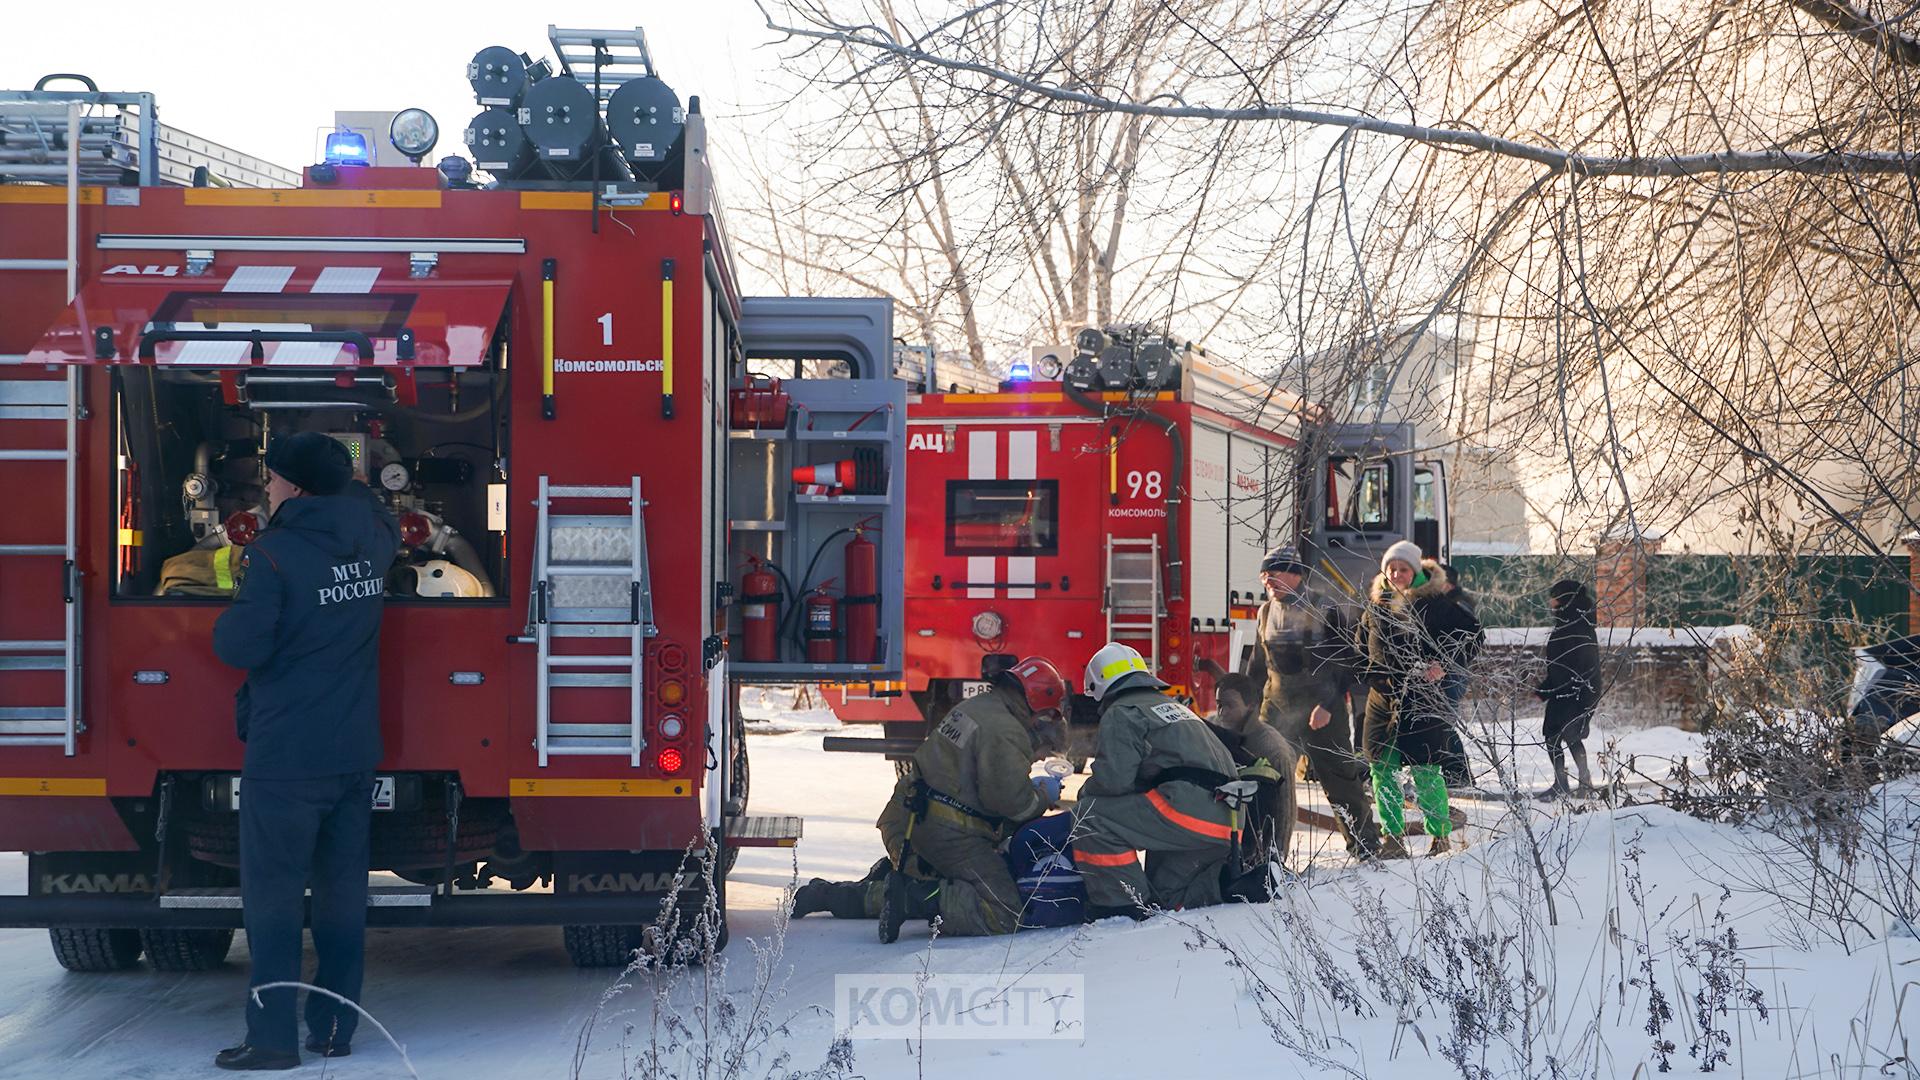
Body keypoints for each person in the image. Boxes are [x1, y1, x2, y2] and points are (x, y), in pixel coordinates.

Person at [210, 433, 399, 1071]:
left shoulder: (275, 558)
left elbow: (240, 647)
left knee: (274, 905)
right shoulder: (371, 544)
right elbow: (382, 517)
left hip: (287, 757)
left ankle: (271, 1041)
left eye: (272, 480)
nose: (266, 488)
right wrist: (356, 487)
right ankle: (334, 1030)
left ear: (295, 487)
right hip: (352, 755)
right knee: (343, 899)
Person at [790, 656, 1069, 942]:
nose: (1040, 756)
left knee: (930, 886)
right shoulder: (1007, 731)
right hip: (948, 834)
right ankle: (912, 895)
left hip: (910, 823)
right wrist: (1041, 795)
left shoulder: (976, 708)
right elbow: (1011, 803)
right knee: (1004, 910)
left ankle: (833, 894)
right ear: (1039, 708)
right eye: (1042, 751)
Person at [1072, 643, 1245, 919]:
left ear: (1100, 686)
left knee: (1090, 817)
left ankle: (1121, 908)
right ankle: (1229, 885)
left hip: (1187, 811)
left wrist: (1083, 795)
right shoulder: (1173, 707)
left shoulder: (1122, 711)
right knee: (1168, 897)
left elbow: (1113, 782)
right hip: (1228, 820)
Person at [1237, 546, 1384, 859]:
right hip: (1276, 704)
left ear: (1295, 573)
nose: (1268, 582)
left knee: (1339, 776)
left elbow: (1348, 662)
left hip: (1321, 707)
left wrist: (1328, 706)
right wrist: (1245, 705)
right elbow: (1258, 665)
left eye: (1273, 574)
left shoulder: (1324, 608)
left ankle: (1366, 847)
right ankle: (1264, 850)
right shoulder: (1265, 612)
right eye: (1264, 576)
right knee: (1264, 773)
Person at [1358, 541, 1483, 857]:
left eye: (1403, 569)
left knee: (1425, 770)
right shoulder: (1376, 606)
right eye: (1391, 568)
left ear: (1415, 571)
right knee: (1381, 770)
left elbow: (1473, 636)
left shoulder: (1437, 604)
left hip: (1422, 700)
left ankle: (1440, 836)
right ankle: (1393, 837)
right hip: (1383, 700)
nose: (1396, 574)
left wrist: (1444, 663)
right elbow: (1358, 646)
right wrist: (1366, 673)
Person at [1202, 672, 1297, 873]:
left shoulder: (1273, 749)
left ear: (1252, 706)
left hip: (1253, 847)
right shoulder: (1211, 728)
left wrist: (1274, 859)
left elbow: (1284, 811)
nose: (1221, 712)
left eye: (1230, 705)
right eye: (1219, 703)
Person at [1536, 579, 1602, 799]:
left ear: (1564, 599)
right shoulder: (1567, 623)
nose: (1550, 600)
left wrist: (1566, 689)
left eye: (1554, 595)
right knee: (1552, 735)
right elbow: (1559, 666)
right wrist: (1545, 689)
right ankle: (1561, 783)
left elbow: (1581, 665)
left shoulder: (1578, 626)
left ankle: (1585, 783)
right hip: (1563, 691)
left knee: (1571, 734)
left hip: (1578, 691)